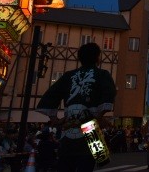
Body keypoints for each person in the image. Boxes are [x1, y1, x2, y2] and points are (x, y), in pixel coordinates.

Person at [36, 42, 116, 172]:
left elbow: (51, 95)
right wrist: (99, 115)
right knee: (86, 164)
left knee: (66, 163)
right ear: (97, 58)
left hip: (68, 127)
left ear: (79, 58)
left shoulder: (68, 75)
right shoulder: (102, 74)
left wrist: (56, 119)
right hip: (90, 126)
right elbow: (109, 94)